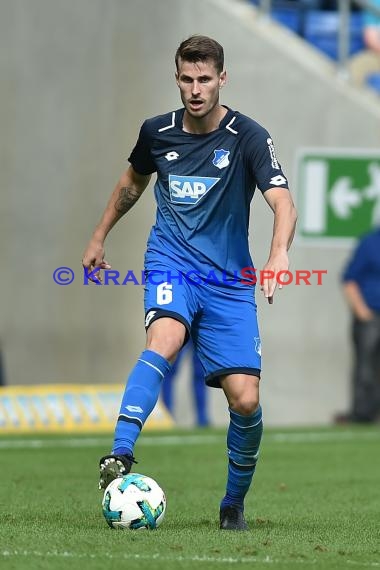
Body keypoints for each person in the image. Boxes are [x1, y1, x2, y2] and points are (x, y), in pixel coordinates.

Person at [82, 35, 297, 531]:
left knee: (245, 398)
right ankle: (120, 453)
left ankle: (232, 504)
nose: (195, 89)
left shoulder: (248, 136)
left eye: (205, 79)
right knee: (166, 337)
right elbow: (131, 184)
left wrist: (279, 252)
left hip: (228, 280)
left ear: (223, 78)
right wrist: (98, 237)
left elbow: (282, 201)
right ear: (176, 78)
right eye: (187, 79)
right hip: (171, 262)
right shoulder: (156, 132)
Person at [337, 226, 380, 424]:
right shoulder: (370, 242)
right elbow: (349, 278)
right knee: (366, 368)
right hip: (370, 316)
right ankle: (363, 414)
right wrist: (361, 310)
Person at [162, 338, 209, 427]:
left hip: (200, 327)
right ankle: (167, 416)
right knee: (169, 369)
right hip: (181, 326)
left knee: (200, 373)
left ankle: (202, 419)